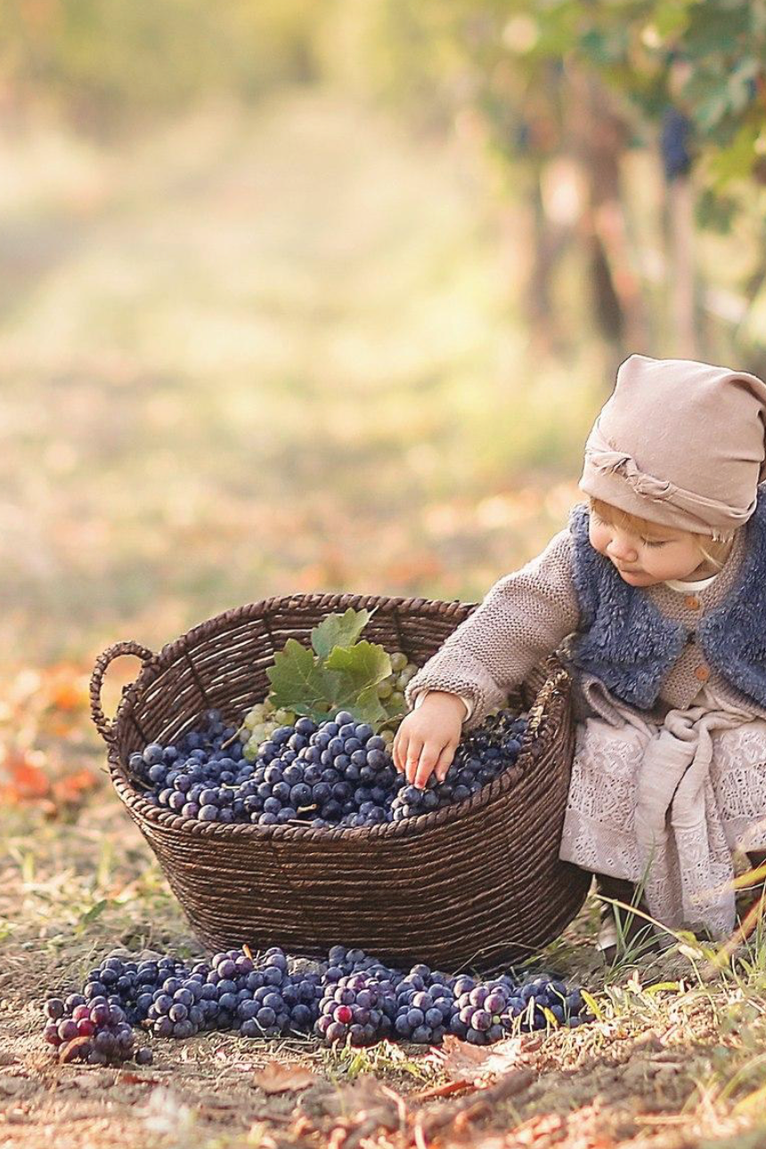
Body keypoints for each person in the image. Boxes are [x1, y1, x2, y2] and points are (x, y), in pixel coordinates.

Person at [392, 353, 766, 962]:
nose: (620, 548)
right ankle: (633, 913)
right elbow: (517, 617)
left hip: (746, 708)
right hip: (630, 712)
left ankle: (753, 914)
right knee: (611, 763)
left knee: (754, 762)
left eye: (653, 540)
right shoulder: (585, 561)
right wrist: (447, 696)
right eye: (602, 519)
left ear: (721, 530)